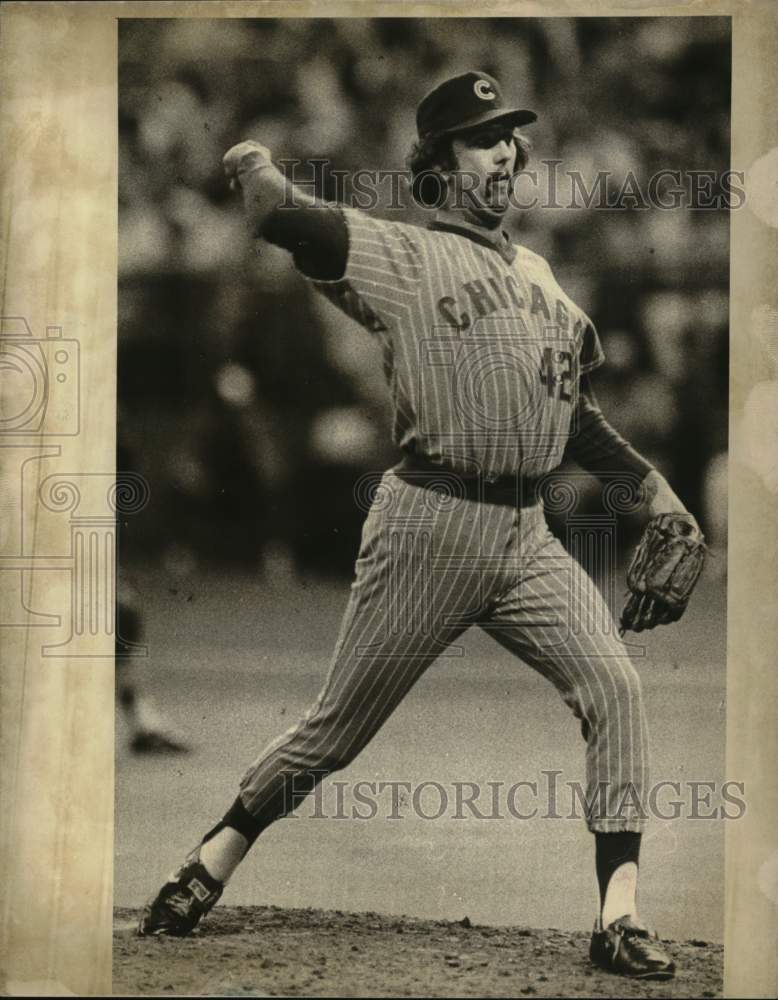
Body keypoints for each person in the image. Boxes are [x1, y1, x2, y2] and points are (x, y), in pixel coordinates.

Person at [139, 71, 698, 980]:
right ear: (438, 164)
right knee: (334, 733)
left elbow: (577, 414)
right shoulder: (403, 255)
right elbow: (300, 223)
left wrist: (655, 490)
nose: (507, 152)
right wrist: (264, 180)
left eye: (510, 136)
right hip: (428, 523)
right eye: (484, 139)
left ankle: (619, 916)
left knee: (618, 692)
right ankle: (212, 861)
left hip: (527, 538)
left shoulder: (541, 277)